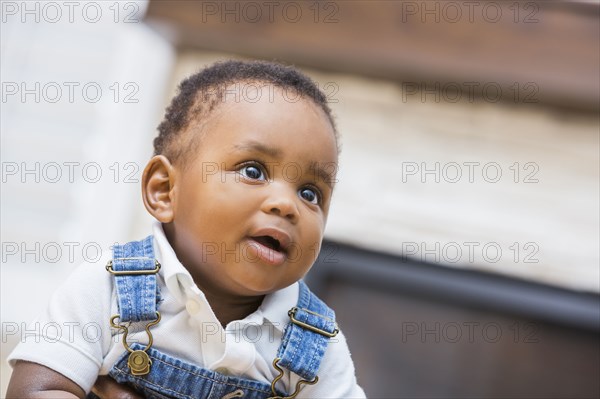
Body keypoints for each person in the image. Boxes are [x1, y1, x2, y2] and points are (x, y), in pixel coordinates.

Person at [7, 60, 366, 398]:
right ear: (164, 190)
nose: (286, 205)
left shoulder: (317, 344)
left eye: (310, 193)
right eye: (253, 171)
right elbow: (34, 390)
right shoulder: (108, 288)